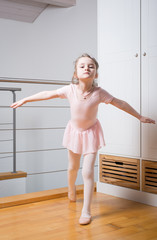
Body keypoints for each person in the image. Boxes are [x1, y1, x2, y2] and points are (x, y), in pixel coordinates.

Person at [10, 53, 155, 225]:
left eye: (91, 66)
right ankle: (71, 189)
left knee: (87, 172)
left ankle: (86, 210)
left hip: (91, 133)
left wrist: (139, 117)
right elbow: (48, 93)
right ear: (75, 74)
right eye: (82, 66)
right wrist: (26, 99)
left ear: (96, 74)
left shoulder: (100, 93)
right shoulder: (69, 90)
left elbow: (120, 103)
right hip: (74, 132)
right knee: (72, 168)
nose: (87, 68)